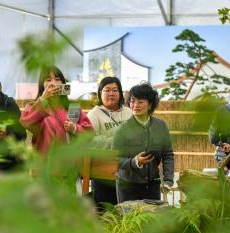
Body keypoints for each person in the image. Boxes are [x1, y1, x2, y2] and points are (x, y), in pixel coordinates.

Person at [112, 83, 174, 202]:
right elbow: (114, 159)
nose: (135, 105)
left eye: (140, 102)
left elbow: (168, 155)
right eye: (133, 101)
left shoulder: (161, 126)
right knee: (129, 220)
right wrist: (134, 162)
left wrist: (168, 181)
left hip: (153, 187)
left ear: (150, 104)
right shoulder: (122, 130)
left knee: (152, 220)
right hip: (127, 187)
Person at [20, 65, 92, 156]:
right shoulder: (33, 106)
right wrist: (43, 99)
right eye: (48, 80)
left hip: (70, 164)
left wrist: (75, 128)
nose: (53, 83)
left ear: (63, 83)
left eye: (57, 79)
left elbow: (89, 135)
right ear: (42, 84)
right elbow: (26, 122)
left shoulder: (73, 107)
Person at [87, 76, 132, 209]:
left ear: (120, 93)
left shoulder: (129, 113)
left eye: (115, 90)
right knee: (105, 214)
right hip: (102, 175)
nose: (111, 93)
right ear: (100, 93)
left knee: (126, 213)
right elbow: (90, 141)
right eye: (107, 90)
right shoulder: (93, 115)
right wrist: (115, 142)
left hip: (127, 173)